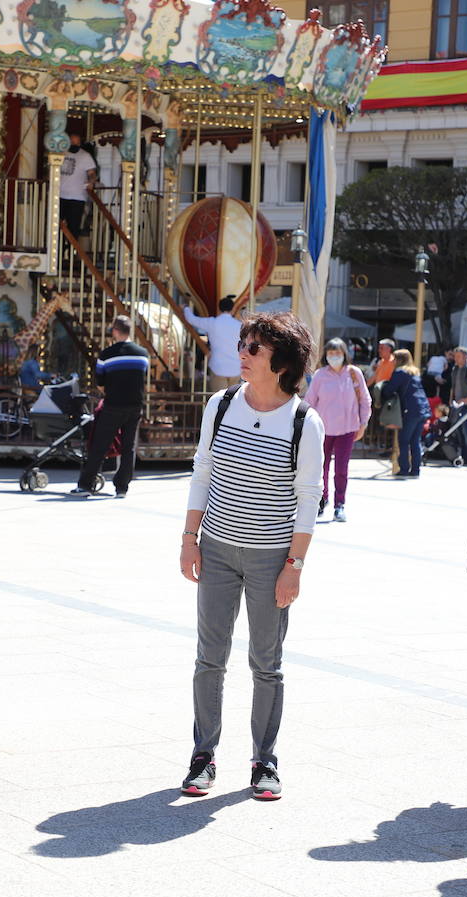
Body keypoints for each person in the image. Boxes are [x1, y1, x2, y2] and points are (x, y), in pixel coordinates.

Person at [178, 312, 324, 801]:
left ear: (281, 362)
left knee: (267, 663)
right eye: (242, 343)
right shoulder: (220, 406)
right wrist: (189, 537)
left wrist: (294, 567)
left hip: (271, 559)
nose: (242, 351)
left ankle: (265, 761)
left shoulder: (305, 421)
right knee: (209, 659)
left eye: (254, 348)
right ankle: (203, 755)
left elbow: (309, 497)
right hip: (216, 549)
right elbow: (202, 472)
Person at [72, 315, 148, 497]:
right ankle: (122, 487)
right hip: (135, 406)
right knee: (128, 448)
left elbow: (100, 383)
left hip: (113, 405)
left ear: (115, 331)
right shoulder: (143, 354)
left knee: (99, 445)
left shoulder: (106, 354)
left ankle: (86, 485)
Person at [304, 337, 371, 522]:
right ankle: (322, 500)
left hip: (347, 428)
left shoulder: (354, 373)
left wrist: (363, 423)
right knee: (321, 468)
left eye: (338, 353)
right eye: (331, 353)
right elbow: (309, 402)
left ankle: (339, 504)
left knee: (341, 469)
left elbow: (365, 400)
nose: (334, 356)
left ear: (345, 354)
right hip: (323, 430)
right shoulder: (319, 375)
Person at [381, 349, 430, 477]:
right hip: (422, 408)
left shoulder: (400, 372)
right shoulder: (415, 372)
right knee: (415, 441)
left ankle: (403, 469)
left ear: (398, 360)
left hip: (410, 409)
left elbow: (389, 389)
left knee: (403, 440)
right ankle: (415, 470)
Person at [185, 295, 244, 390]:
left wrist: (186, 308)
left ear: (219, 309)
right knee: (233, 401)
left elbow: (191, 319)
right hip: (236, 368)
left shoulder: (212, 323)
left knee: (218, 401)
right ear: (233, 309)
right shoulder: (239, 325)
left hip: (218, 367)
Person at [58, 131, 98, 237]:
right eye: (72, 143)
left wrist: (91, 181)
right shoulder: (61, 153)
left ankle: (71, 250)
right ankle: (59, 250)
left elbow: (92, 173)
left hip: (77, 196)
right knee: (57, 226)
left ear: (80, 144)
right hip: (60, 194)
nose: (74, 145)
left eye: (76, 143)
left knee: (73, 226)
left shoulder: (85, 156)